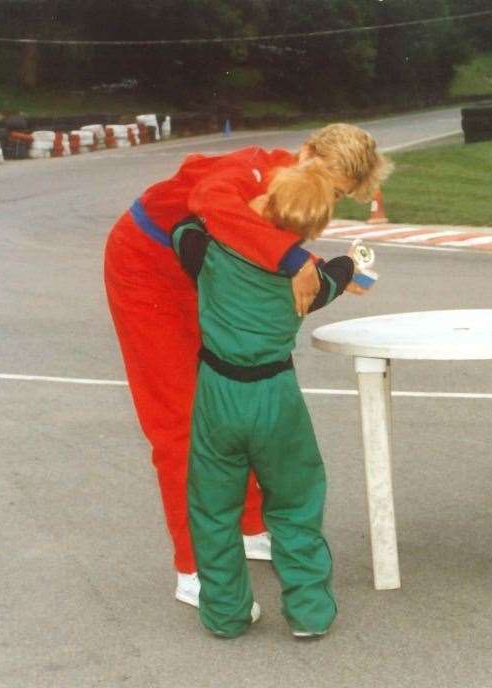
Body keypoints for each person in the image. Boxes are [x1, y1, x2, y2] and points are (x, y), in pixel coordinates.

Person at [104, 124, 390, 607]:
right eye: (329, 183)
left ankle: (250, 526)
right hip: (146, 269)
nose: (330, 198)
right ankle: (194, 568)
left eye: (339, 195)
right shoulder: (245, 171)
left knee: (233, 397)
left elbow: (264, 257)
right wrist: (296, 260)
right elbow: (213, 206)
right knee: (181, 423)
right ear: (304, 153)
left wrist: (333, 273)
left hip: (200, 270)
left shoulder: (295, 185)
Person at [172, 160, 378, 639]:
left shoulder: (206, 253)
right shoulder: (311, 281)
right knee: (295, 502)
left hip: (219, 394)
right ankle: (309, 612)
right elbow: (343, 271)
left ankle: (226, 613)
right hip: (276, 395)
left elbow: (186, 223)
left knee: (213, 507)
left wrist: (244, 213)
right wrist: (348, 262)